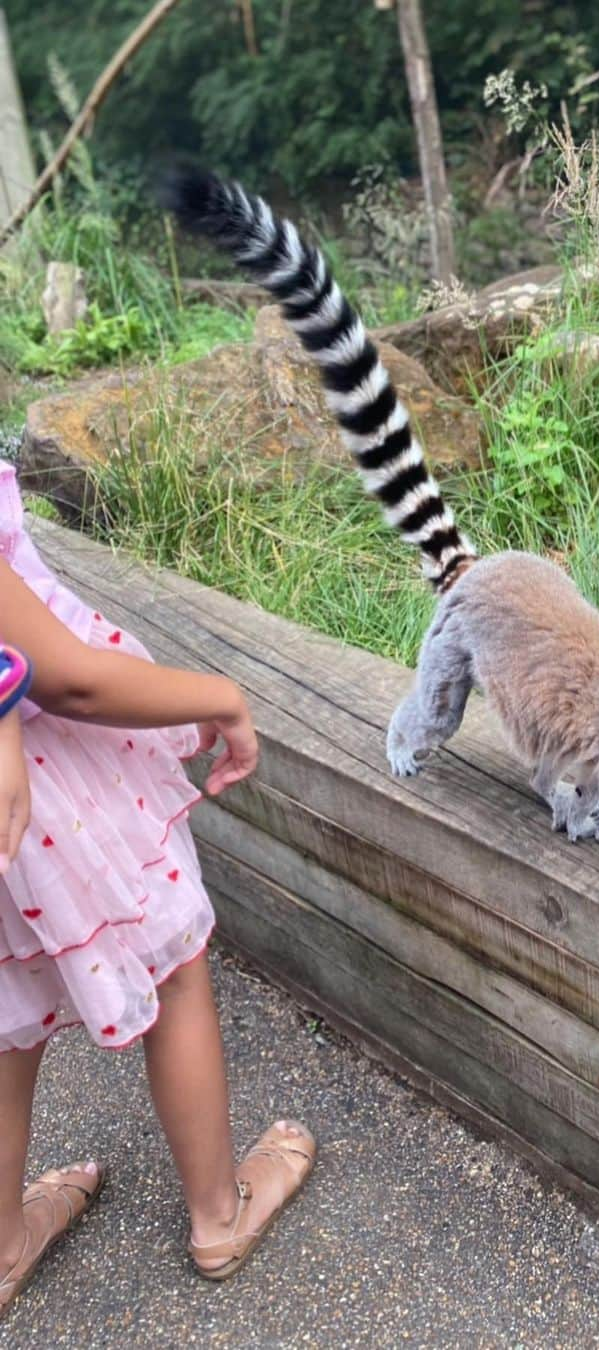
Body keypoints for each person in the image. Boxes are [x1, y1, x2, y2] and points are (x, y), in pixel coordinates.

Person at [0, 460, 315, 1318]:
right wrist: (217, 695)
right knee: (174, 965)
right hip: (44, 785)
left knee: (5, 1019)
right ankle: (220, 1214)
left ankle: (2, 1248)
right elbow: (68, 676)